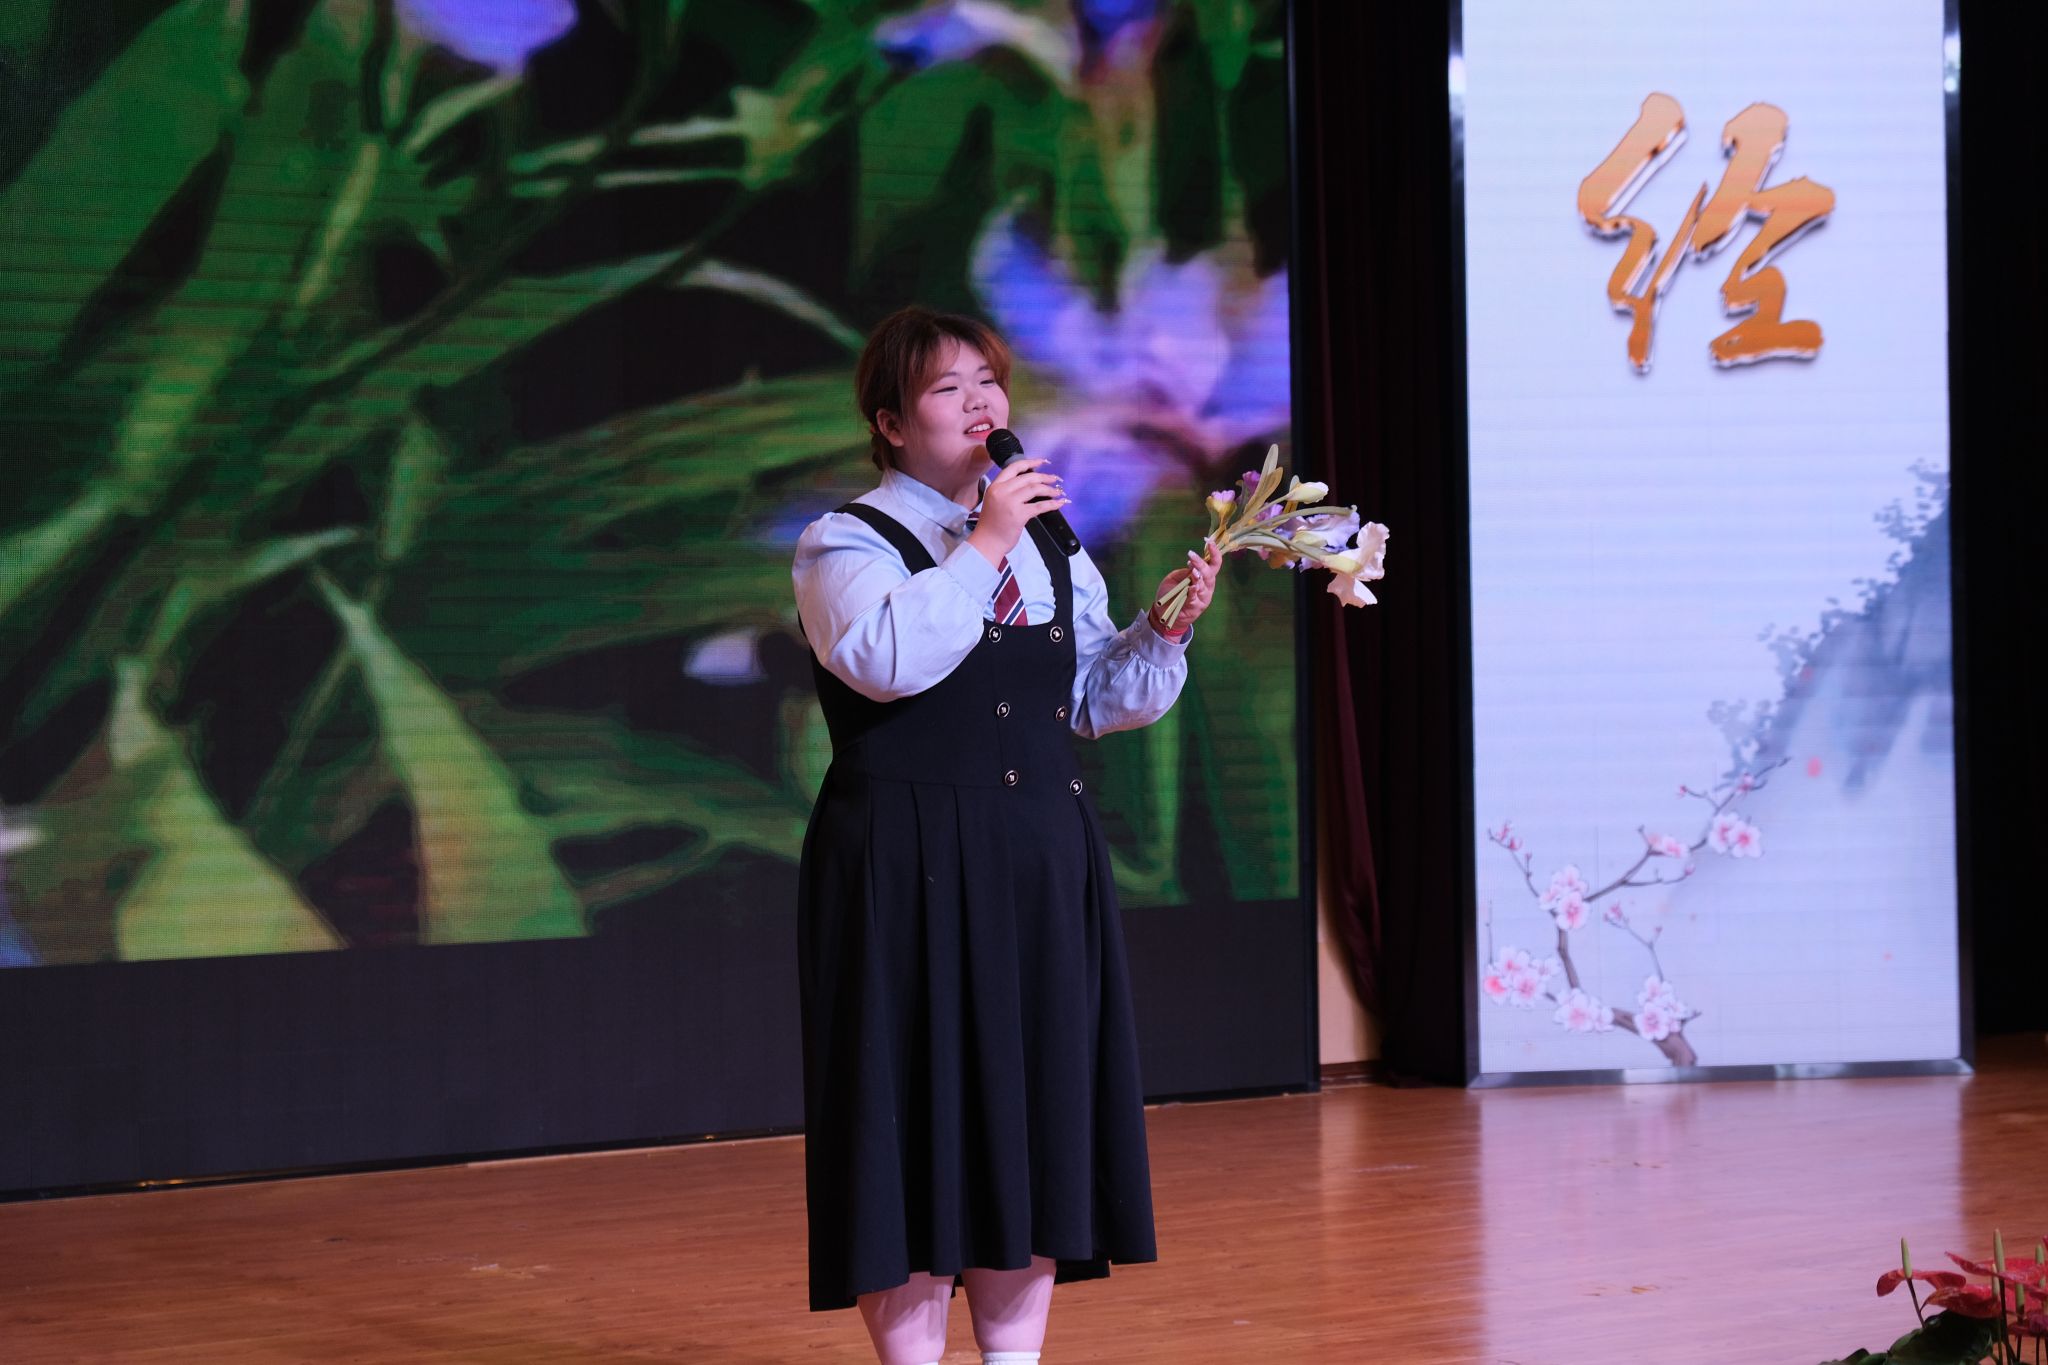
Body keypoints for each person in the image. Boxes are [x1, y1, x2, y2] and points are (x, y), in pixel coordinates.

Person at [791, 306, 1222, 1365]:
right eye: (949, 388)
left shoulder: (1049, 549)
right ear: (891, 422)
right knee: (910, 1118)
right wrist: (985, 542)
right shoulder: (845, 540)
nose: (981, 402)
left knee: (1029, 1117)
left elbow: (1086, 700)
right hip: (903, 864)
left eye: (989, 380)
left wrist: (1163, 628)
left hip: (1036, 857)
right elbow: (885, 662)